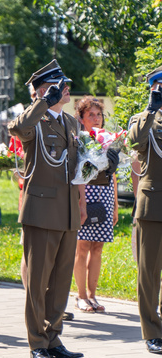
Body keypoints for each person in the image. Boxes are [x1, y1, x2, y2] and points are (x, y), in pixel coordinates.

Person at [7, 60, 89, 358]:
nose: (65, 89)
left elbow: (79, 167)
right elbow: (18, 128)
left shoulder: (71, 123)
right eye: (57, 86)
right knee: (38, 280)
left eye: (63, 85)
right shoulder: (34, 121)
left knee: (60, 280)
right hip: (41, 211)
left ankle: (54, 337)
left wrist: (81, 203)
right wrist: (42, 103)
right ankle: (36, 340)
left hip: (67, 211)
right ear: (43, 91)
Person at [128, 65, 162, 355]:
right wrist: (152, 109)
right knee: (149, 272)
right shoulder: (143, 119)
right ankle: (151, 330)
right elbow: (135, 142)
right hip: (153, 205)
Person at [73, 97, 117, 313]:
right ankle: (80, 296)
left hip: (106, 194)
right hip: (85, 193)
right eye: (91, 114)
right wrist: (81, 200)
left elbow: (113, 174)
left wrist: (116, 204)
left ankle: (93, 295)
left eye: (99, 114)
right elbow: (78, 173)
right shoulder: (78, 139)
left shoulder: (109, 140)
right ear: (81, 118)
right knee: (82, 247)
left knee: (97, 247)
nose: (96, 118)